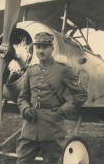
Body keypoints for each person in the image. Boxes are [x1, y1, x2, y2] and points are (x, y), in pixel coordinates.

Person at [16, 32, 88, 164]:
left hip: (52, 128)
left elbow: (81, 94)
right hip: (30, 127)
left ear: (52, 48)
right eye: (38, 47)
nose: (41, 50)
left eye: (45, 47)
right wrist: (25, 109)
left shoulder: (63, 70)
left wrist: (62, 111)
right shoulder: (30, 71)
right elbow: (22, 98)